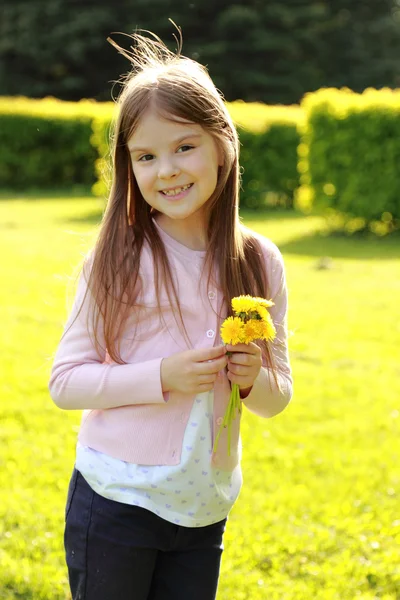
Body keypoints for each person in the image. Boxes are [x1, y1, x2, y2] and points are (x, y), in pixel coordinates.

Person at [48, 29, 293, 600]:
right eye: (146, 156)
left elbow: (278, 397)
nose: (167, 170)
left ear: (223, 144)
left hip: (203, 507)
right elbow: (65, 383)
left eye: (185, 146)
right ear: (127, 165)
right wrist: (164, 376)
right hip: (116, 502)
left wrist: (254, 380)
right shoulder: (116, 261)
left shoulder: (259, 261)